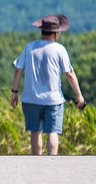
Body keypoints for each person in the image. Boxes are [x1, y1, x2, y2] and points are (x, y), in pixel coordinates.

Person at [10, 14, 85, 155]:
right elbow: (69, 73)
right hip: (53, 99)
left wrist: (14, 92)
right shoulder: (59, 49)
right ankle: (52, 161)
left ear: (42, 31)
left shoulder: (29, 48)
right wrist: (79, 96)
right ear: (57, 33)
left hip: (31, 98)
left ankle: (36, 161)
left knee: (35, 131)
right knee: (52, 131)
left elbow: (18, 69)